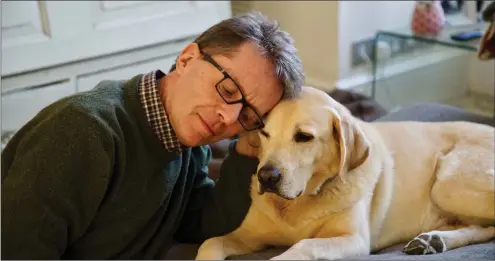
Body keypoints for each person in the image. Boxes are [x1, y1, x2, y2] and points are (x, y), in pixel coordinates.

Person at [1, 12, 304, 259]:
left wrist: (247, 152)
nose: (229, 117)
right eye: (226, 90)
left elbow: (202, 222)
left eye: (248, 115)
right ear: (186, 59)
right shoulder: (82, 132)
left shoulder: (191, 147)